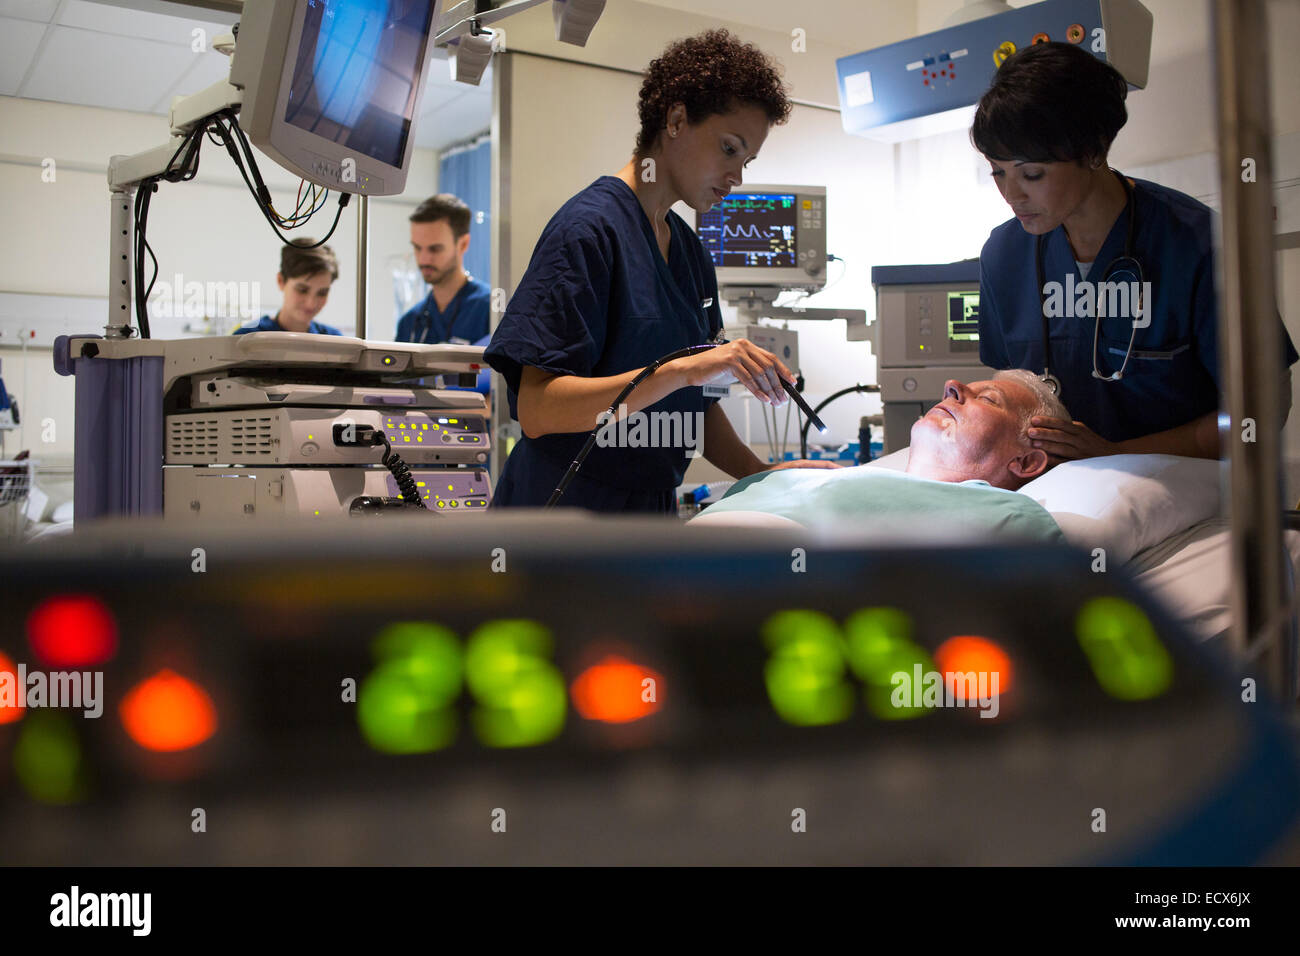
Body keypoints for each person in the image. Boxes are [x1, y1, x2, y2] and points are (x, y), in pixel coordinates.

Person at [485, 29, 835, 513]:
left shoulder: (689, 252)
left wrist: (765, 476)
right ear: (675, 120)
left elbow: (698, 408)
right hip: (564, 514)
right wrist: (686, 368)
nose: (737, 177)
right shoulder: (588, 231)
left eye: (747, 160)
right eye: (729, 149)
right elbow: (539, 409)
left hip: (650, 510)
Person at [972, 41, 1297, 461]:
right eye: (998, 172)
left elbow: (1260, 412)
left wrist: (1117, 453)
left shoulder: (1199, 245)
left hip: (1179, 492)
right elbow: (1009, 382)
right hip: (1058, 489)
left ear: (1093, 151)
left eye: (1032, 174)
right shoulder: (1004, 254)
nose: (1011, 194)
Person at [691, 370, 1066, 538]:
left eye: (987, 399)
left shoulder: (1011, 518)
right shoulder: (827, 475)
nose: (951, 386)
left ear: (1026, 461)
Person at [395, 194, 492, 346]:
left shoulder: (490, 309)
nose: (424, 259)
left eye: (435, 249)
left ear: (463, 244)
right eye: (417, 248)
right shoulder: (410, 323)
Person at [234, 238, 342, 335]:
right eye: (302, 290)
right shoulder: (247, 338)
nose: (311, 303)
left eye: (322, 293)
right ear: (281, 281)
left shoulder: (335, 341)